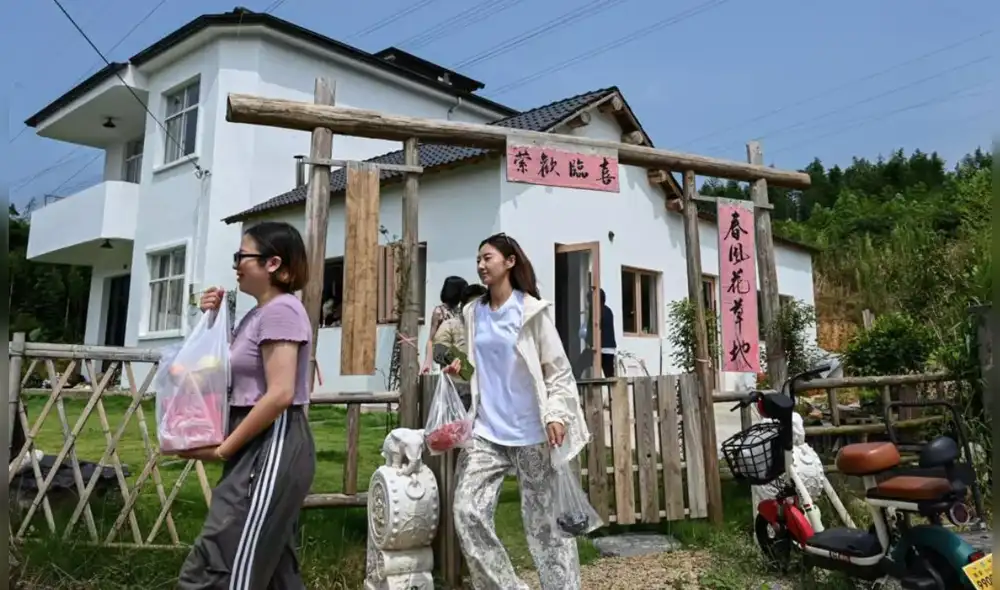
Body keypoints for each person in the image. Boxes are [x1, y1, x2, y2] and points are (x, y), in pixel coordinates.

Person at [444, 233, 589, 590]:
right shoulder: (472, 312)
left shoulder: (531, 312)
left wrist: (557, 414)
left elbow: (558, 371)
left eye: (488, 258)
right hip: (487, 433)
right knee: (467, 510)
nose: (481, 265)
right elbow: (481, 369)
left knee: (546, 530)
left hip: (532, 434)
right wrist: (458, 369)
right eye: (478, 259)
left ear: (509, 262)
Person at [177, 221, 315, 590]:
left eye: (242, 256)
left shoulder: (281, 311)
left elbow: (281, 393)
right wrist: (213, 318)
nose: (236, 263)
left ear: (272, 263)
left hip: (273, 441)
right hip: (256, 441)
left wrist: (225, 449)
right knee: (273, 568)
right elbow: (224, 371)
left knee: (222, 560)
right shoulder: (257, 313)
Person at [431, 283, 488, 410]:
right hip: (458, 390)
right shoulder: (450, 325)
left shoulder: (492, 327)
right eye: (472, 305)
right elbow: (439, 351)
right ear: (463, 306)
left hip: (487, 391)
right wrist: (467, 369)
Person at [421, 276, 469, 374]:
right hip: (446, 352)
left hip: (460, 350)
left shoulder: (461, 311)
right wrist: (427, 362)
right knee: (462, 372)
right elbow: (431, 339)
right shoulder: (439, 312)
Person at [598, 288, 617, 377]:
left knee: (580, 364)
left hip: (601, 348)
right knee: (609, 375)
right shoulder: (608, 310)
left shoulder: (598, 311)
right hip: (610, 348)